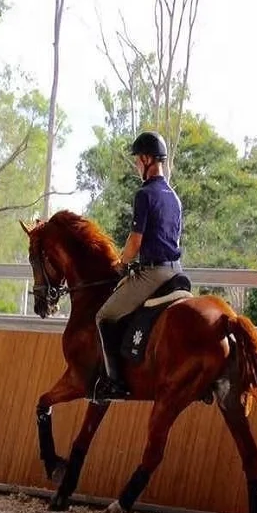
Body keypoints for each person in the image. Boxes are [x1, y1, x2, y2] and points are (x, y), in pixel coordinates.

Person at [93, 130, 183, 400]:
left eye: (137, 160)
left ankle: (116, 382)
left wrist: (122, 262)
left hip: (153, 273)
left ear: (146, 159)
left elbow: (135, 241)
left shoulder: (145, 194)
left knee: (103, 317)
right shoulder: (175, 197)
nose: (135, 165)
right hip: (177, 272)